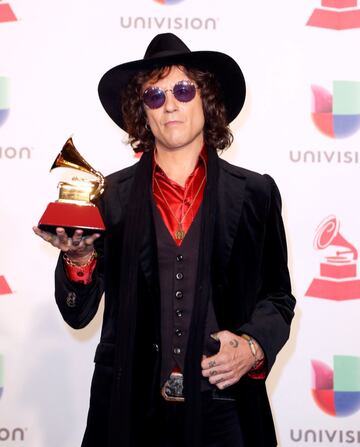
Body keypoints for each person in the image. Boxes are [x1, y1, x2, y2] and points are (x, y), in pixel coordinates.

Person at [33, 33, 296, 447]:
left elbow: (279, 299)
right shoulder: (110, 197)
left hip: (226, 412)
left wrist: (252, 346)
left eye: (183, 89)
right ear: (144, 112)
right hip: (129, 411)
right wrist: (79, 258)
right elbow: (78, 314)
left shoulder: (256, 193)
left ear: (204, 100)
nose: (170, 103)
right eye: (154, 95)